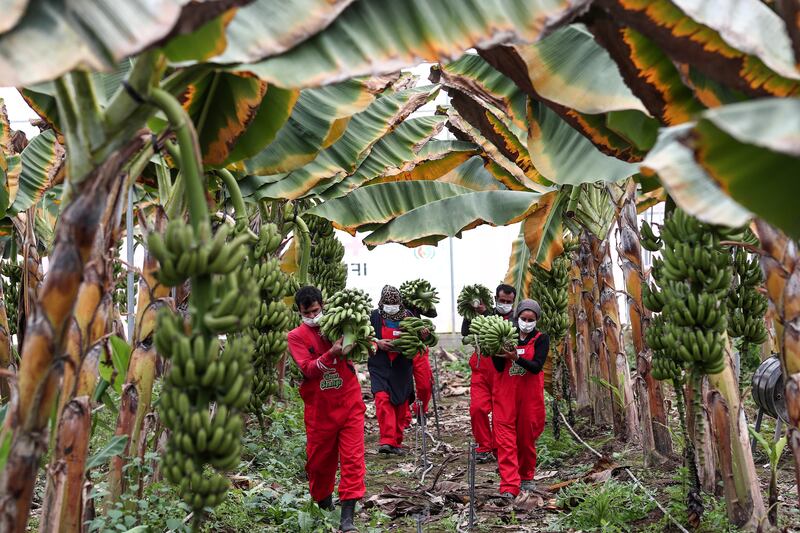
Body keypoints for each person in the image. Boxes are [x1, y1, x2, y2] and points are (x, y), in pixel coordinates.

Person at [287, 286, 365, 532]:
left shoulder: (340, 325)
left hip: (349, 403)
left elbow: (364, 341)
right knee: (320, 463)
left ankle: (347, 519)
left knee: (353, 459)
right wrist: (331, 353)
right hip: (320, 410)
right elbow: (308, 369)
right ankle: (324, 507)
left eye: (315, 311)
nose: (312, 316)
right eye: (306, 313)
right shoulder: (296, 336)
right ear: (299, 312)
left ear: (323, 305)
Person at [493, 299, 549, 497]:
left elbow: (536, 367)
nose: (526, 322)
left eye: (530, 319)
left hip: (529, 399)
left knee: (526, 440)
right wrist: (496, 351)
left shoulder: (541, 339)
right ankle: (509, 485)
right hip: (505, 397)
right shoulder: (507, 336)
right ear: (517, 318)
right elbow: (499, 368)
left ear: (536, 320)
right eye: (523, 318)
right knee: (505, 441)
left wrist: (516, 358)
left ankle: (526, 476)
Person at [460, 283, 517, 463]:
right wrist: (474, 311)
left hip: (504, 373)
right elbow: (465, 332)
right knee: (477, 409)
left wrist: (484, 314)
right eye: (502, 300)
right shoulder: (485, 314)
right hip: (481, 370)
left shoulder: (516, 319)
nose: (505, 304)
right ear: (495, 299)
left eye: (509, 301)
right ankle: (484, 446)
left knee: (502, 414)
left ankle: (499, 447)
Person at [368, 285, 415, 455]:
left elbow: (417, 338)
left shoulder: (408, 316)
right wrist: (377, 343)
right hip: (380, 364)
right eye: (387, 302)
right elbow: (363, 336)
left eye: (394, 303)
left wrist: (419, 336)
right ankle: (386, 441)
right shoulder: (373, 316)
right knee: (382, 399)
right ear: (382, 301)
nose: (391, 305)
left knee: (401, 404)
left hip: (402, 366)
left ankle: (397, 442)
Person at [404, 297, 437, 418]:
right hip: (403, 349)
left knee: (425, 385)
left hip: (419, 347)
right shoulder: (397, 306)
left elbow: (433, 313)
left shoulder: (417, 305)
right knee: (403, 386)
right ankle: (405, 417)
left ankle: (420, 410)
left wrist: (421, 300)